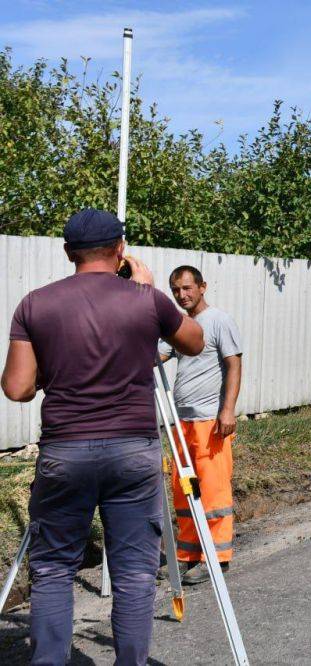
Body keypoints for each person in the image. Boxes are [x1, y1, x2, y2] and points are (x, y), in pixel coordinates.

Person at [1, 209, 204, 666]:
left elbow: (17, 387)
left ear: (69, 252)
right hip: (132, 450)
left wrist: (45, 379)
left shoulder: (36, 304)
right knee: (133, 573)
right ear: (120, 251)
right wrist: (149, 290)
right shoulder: (145, 300)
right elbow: (194, 341)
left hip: (65, 450)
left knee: (54, 569)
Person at [158, 265, 242, 585]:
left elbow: (234, 365)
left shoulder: (219, 321)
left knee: (212, 490)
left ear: (202, 287)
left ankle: (217, 556)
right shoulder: (181, 326)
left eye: (187, 288)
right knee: (184, 490)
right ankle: (188, 554)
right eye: (176, 290)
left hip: (211, 421)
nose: (182, 295)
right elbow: (159, 355)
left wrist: (228, 410)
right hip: (183, 422)